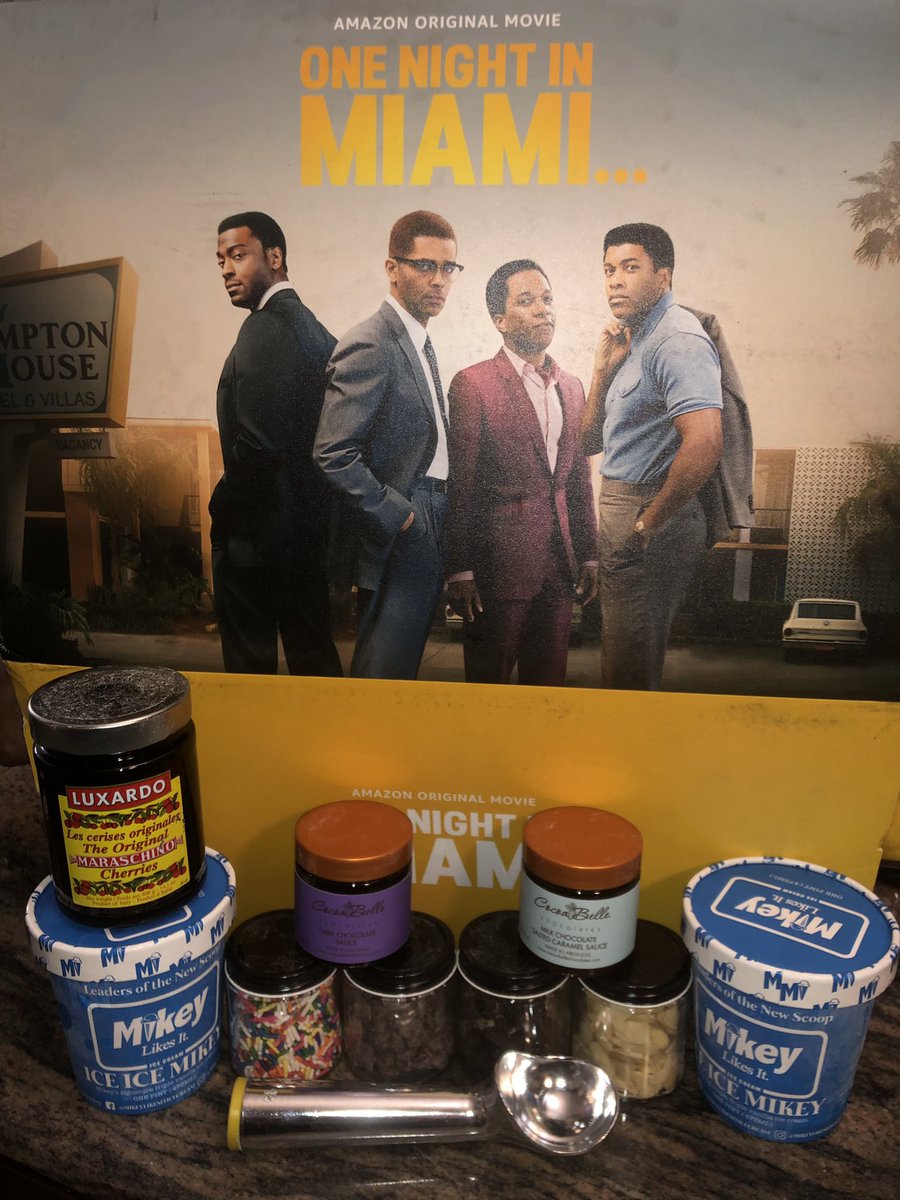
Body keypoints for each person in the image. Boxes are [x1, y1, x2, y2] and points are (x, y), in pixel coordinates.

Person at [314, 210, 462, 679]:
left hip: (431, 512)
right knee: (384, 669)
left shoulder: (418, 342)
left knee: (402, 665)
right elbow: (333, 453)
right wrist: (399, 515)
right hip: (404, 518)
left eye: (448, 268)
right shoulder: (371, 342)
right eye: (425, 265)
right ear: (392, 268)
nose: (438, 280)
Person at [581, 223, 723, 691]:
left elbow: (705, 442)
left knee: (630, 673)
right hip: (626, 510)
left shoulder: (676, 339)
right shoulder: (636, 339)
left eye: (630, 267)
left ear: (664, 276)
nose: (615, 281)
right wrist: (601, 371)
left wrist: (648, 524)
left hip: (647, 514)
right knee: (624, 663)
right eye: (608, 270)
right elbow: (588, 442)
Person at [445, 260, 597, 685]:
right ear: (499, 319)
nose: (543, 309)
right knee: (487, 691)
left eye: (547, 299)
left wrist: (589, 553)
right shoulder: (472, 384)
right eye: (526, 301)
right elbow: (461, 486)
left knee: (547, 691)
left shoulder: (572, 386)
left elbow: (578, 480)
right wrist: (459, 569)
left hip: (559, 569)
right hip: (496, 572)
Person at [211, 211, 342, 676]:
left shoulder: (265, 325)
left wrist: (221, 505)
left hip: (254, 542)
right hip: (305, 541)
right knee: (315, 662)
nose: (226, 269)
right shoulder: (318, 333)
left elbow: (260, 445)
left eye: (238, 255)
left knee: (249, 681)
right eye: (221, 260)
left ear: (274, 256)